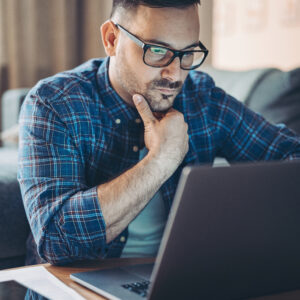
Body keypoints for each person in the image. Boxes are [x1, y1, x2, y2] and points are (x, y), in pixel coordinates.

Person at [18, 0, 300, 265]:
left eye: (187, 53)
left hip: (181, 281)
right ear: (111, 39)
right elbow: (56, 240)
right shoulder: (53, 103)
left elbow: (290, 156)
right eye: (156, 50)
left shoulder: (204, 98)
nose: (175, 74)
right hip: (76, 286)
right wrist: (162, 160)